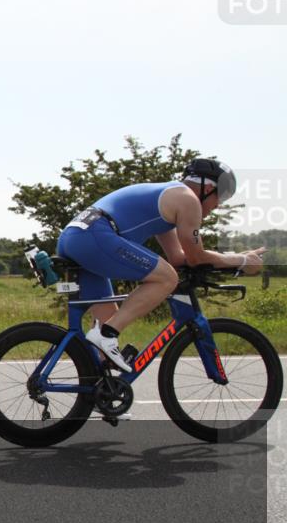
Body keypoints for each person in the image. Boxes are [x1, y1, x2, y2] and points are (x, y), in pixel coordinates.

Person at [57, 159, 265, 373]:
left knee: (108, 316)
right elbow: (196, 257)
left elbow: (178, 258)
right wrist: (240, 260)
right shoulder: (189, 200)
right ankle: (107, 334)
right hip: (95, 236)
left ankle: (99, 382)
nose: (218, 205)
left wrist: (234, 259)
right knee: (167, 278)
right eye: (220, 197)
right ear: (207, 189)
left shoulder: (168, 199)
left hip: (75, 237)